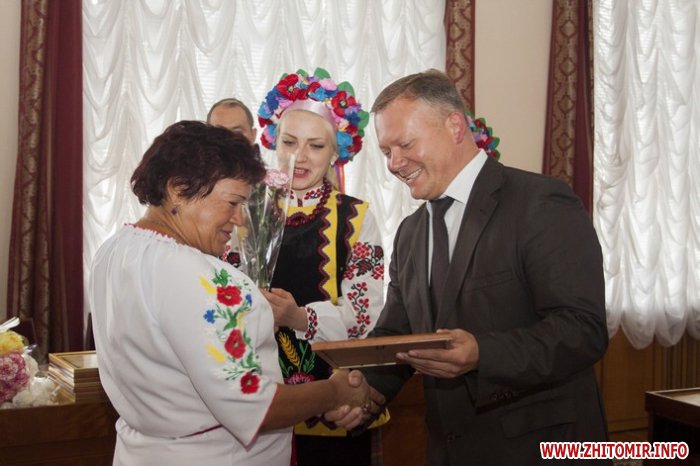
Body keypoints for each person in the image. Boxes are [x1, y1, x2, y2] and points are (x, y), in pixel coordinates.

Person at [333, 69, 611, 465]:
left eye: (405, 144)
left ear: (455, 126)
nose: (395, 163)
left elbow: (583, 329)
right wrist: (364, 392)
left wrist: (483, 353)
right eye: (386, 151)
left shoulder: (540, 203)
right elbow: (398, 334)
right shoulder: (411, 232)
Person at [88, 121, 383, 466]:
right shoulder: (200, 276)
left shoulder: (113, 250)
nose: (240, 219)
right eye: (232, 202)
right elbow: (255, 406)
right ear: (179, 189)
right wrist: (335, 391)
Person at [257, 68, 387, 466]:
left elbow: (365, 316)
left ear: (336, 152)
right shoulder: (246, 211)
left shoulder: (356, 218)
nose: (298, 157)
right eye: (289, 142)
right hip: (257, 407)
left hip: (334, 405)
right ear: (273, 142)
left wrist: (298, 317)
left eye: (315, 146)